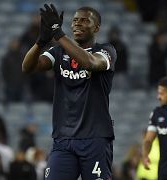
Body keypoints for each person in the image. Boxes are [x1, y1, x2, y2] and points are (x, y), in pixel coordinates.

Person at [22, 4, 116, 179]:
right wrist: (41, 41)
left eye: (84, 20)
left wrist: (58, 34)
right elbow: (28, 67)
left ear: (96, 28)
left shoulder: (106, 51)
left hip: (95, 138)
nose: (77, 24)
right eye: (74, 21)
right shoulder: (59, 52)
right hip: (63, 140)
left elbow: (90, 63)